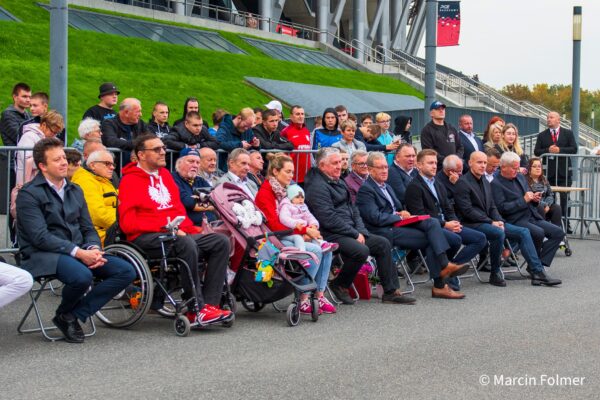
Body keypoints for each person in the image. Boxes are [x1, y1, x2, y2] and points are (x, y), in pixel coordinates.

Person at [16, 138, 136, 343]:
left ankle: (70, 315)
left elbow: (87, 227)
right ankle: (68, 314)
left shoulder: (74, 190)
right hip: (41, 254)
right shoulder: (28, 194)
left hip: (77, 250)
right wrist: (79, 253)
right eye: (57, 160)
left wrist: (93, 248)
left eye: (64, 157)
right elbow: (40, 237)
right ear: (43, 166)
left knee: (126, 271)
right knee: (82, 276)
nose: (64, 162)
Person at [118, 134, 232, 326]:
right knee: (184, 243)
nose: (163, 151)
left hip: (174, 234)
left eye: (163, 147)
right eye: (156, 149)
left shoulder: (165, 176)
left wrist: (192, 228)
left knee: (219, 241)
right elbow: (128, 224)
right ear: (141, 155)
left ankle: (208, 306)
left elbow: (177, 209)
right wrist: (169, 229)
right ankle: (195, 307)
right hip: (145, 237)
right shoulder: (130, 181)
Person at [304, 147, 416, 305]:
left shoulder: (336, 179)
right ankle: (339, 284)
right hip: (329, 233)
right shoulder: (317, 186)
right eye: (334, 163)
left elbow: (353, 209)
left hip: (349, 230)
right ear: (322, 166)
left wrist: (361, 231)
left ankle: (390, 292)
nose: (339, 166)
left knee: (382, 243)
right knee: (360, 250)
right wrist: (355, 234)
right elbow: (328, 218)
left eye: (340, 162)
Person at [356, 152, 469, 300]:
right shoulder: (366, 189)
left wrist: (402, 212)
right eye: (380, 168)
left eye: (386, 167)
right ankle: (442, 276)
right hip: (383, 230)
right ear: (370, 170)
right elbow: (374, 217)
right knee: (433, 234)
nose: (385, 171)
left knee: (434, 228)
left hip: (398, 225)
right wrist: (397, 216)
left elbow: (395, 208)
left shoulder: (387, 187)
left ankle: (441, 282)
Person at [254, 153, 336, 314]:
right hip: (275, 237)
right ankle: (303, 299)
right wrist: (304, 231)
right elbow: (275, 225)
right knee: (315, 250)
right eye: (288, 171)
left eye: (292, 172)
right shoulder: (266, 192)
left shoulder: (287, 190)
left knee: (326, 249)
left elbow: (301, 210)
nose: (291, 175)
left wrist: (311, 226)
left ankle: (319, 294)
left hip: (290, 233)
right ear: (276, 172)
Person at [405, 150, 487, 290]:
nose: (434, 166)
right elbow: (420, 216)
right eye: (430, 163)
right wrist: (445, 224)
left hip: (446, 224)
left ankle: (450, 267)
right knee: (455, 239)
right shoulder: (414, 186)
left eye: (436, 163)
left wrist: (455, 222)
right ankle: (446, 270)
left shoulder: (437, 183)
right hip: (429, 227)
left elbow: (448, 208)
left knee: (480, 239)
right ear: (419, 165)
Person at [491, 152, 564, 270]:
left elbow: (528, 196)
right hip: (515, 219)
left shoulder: (519, 177)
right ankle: (536, 267)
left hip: (531, 215)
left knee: (558, 233)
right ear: (503, 167)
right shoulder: (496, 183)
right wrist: (523, 200)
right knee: (538, 232)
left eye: (518, 167)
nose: (517, 170)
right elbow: (502, 208)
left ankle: (537, 264)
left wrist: (534, 199)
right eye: (514, 168)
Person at [453, 151, 507, 287]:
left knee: (505, 230)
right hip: (468, 223)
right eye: (479, 162)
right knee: (497, 233)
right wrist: (491, 222)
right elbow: (467, 211)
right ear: (470, 163)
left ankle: (495, 271)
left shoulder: (485, 181)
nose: (483, 166)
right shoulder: (462, 183)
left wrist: (499, 220)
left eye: (484, 163)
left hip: (484, 221)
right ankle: (494, 271)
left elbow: (492, 206)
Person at [534, 111, 578, 227]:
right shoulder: (542, 135)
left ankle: (566, 223)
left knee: (565, 198)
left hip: (564, 172)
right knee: (549, 198)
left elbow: (574, 149)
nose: (548, 119)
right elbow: (537, 151)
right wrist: (547, 150)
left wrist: (560, 150)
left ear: (558, 120)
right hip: (549, 173)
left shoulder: (568, 133)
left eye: (551, 117)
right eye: (548, 117)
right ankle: (551, 223)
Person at [71, 149, 118, 245]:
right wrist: (125, 221)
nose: (112, 167)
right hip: (101, 236)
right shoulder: (86, 181)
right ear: (92, 165)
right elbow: (98, 215)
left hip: (112, 230)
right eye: (107, 163)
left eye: (113, 164)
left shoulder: (101, 179)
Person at [278, 184, 336, 254]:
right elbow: (284, 218)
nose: (300, 199)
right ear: (291, 198)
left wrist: (314, 224)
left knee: (315, 235)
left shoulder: (303, 206)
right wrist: (295, 223)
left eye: (302, 197)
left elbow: (309, 216)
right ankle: (301, 254)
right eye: (297, 197)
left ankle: (323, 244)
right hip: (292, 231)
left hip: (304, 229)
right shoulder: (287, 206)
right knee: (298, 238)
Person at [16, 110, 64, 186]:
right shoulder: (28, 137)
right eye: (52, 131)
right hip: (27, 184)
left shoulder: (54, 140)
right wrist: (51, 162)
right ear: (44, 125)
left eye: (56, 133)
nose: (54, 135)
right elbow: (28, 161)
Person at [172, 148, 213, 225]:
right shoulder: (172, 178)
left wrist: (197, 201)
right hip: (188, 228)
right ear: (179, 163)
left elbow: (216, 199)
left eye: (198, 163)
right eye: (191, 161)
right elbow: (189, 203)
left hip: (209, 225)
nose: (195, 165)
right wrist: (206, 202)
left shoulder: (200, 180)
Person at [421, 101, 463, 166]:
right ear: (431, 113)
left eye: (443, 109)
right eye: (438, 109)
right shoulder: (427, 130)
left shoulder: (451, 128)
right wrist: (447, 161)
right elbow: (429, 151)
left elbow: (460, 147)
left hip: (455, 166)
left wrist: (456, 159)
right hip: (438, 169)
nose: (441, 111)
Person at [526, 157, 562, 227]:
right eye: (534, 166)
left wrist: (547, 205)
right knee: (540, 208)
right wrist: (544, 205)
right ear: (529, 168)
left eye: (539, 166)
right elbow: (530, 196)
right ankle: (543, 231)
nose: (538, 168)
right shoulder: (525, 180)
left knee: (557, 208)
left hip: (546, 205)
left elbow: (550, 194)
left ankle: (556, 230)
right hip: (533, 206)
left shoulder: (544, 179)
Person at [280, 105, 311, 184]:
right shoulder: (286, 132)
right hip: (292, 177)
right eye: (297, 114)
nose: (300, 116)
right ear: (291, 116)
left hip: (306, 177)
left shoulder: (307, 131)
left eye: (302, 114)